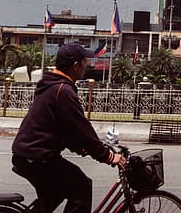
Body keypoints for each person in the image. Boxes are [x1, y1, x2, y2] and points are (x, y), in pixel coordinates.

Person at [11, 44, 125, 213]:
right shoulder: (62, 91)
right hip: (37, 156)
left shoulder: (52, 85)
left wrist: (80, 147)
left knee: (53, 195)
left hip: (29, 154)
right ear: (76, 66)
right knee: (82, 186)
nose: (87, 66)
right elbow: (81, 128)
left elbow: (63, 128)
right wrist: (107, 156)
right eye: (85, 62)